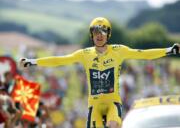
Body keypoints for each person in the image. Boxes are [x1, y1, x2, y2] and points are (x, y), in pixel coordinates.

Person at [20, 17, 180, 128]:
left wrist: (169, 50)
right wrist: (33, 61)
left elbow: (144, 54)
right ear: (91, 35)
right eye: (96, 33)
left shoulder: (119, 51)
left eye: (102, 33)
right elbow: (59, 60)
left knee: (113, 124)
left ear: (108, 34)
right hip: (94, 105)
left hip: (112, 103)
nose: (99, 36)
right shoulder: (84, 54)